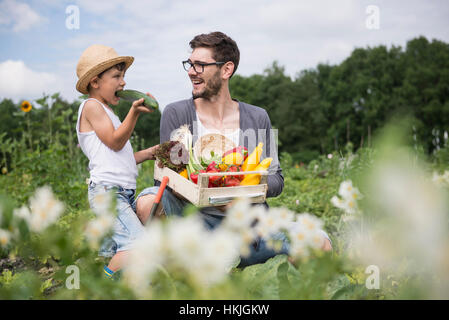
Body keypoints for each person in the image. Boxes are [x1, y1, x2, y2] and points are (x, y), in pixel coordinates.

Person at [136, 32, 331, 267]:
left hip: (250, 230)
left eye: (200, 65)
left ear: (226, 70)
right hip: (195, 227)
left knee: (320, 243)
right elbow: (166, 182)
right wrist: (209, 194)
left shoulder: (257, 116)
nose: (191, 71)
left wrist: (239, 192)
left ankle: (269, 274)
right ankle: (185, 268)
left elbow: (277, 180)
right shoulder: (176, 113)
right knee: (148, 200)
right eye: (189, 64)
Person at [75, 44, 159, 279]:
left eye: (124, 76)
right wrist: (134, 114)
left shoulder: (108, 112)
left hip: (120, 193)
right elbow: (115, 142)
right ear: (95, 82)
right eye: (116, 76)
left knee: (119, 252)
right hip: (108, 193)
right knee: (136, 246)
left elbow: (120, 158)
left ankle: (112, 287)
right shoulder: (91, 106)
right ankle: (99, 291)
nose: (123, 83)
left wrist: (151, 152)